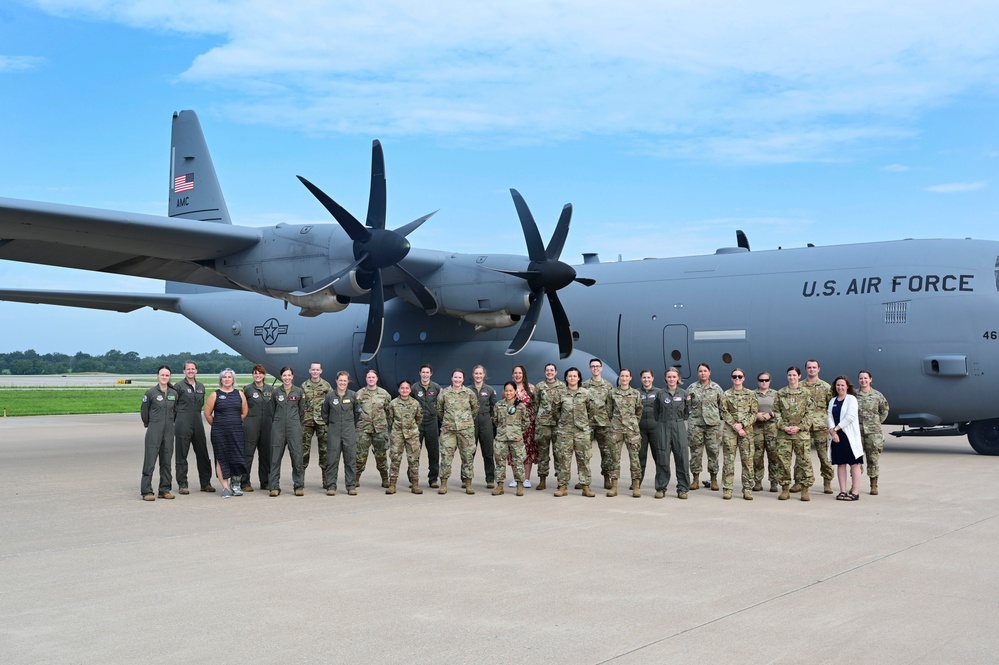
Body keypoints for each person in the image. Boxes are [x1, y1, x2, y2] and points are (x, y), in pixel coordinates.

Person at [204, 368, 248, 498]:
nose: (227, 379)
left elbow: (244, 413)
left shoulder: (240, 394)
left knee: (237, 457)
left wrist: (233, 423)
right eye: (224, 377)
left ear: (233, 379)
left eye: (229, 377)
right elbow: (207, 414)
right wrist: (219, 425)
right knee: (221, 458)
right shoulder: (215, 395)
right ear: (221, 380)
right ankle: (225, 487)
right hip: (219, 432)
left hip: (236, 431)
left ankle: (236, 485)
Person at [773, 366, 816, 501]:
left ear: (799, 376)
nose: (792, 378)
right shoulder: (780, 393)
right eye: (789, 375)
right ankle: (785, 488)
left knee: (804, 462)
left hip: (801, 434)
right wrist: (784, 427)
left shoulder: (806, 393)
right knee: (783, 462)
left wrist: (800, 427)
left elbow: (810, 413)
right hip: (784, 434)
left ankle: (805, 489)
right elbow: (776, 413)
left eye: (794, 375)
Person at [552, 367, 594, 497]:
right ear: (566, 378)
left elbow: (591, 411)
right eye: (570, 376)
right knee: (564, 459)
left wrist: (584, 424)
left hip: (582, 432)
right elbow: (555, 412)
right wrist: (564, 424)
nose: (572, 378)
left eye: (575, 376)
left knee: (584, 459)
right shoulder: (560, 394)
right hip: (565, 432)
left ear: (579, 378)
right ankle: (563, 486)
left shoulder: (586, 393)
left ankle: (585, 486)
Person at [436, 369, 479, 495]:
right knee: (446, 457)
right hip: (448, 431)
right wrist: (449, 421)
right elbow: (439, 410)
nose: (457, 380)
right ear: (451, 378)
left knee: (467, 457)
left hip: (466, 430)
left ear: (463, 379)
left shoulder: (469, 393)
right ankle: (443, 484)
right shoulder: (444, 393)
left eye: (460, 378)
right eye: (455, 377)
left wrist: (464, 421)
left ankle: (468, 483)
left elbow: (474, 409)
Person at [173, 360, 214, 494]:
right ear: (184, 371)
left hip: (197, 421)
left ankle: (205, 483)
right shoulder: (178, 387)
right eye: (188, 369)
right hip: (182, 422)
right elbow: (173, 406)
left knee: (202, 453)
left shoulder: (201, 386)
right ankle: (183, 484)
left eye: (193, 369)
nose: (190, 371)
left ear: (196, 371)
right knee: (181, 455)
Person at [140, 365, 177, 501]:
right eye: (162, 375)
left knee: (166, 461)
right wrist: (149, 424)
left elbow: (176, 411)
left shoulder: (174, 394)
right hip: (154, 429)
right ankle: (146, 491)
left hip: (169, 431)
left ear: (170, 377)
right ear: (158, 376)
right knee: (150, 461)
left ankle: (164, 489)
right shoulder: (150, 393)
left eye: (167, 375)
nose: (164, 377)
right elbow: (144, 411)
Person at [721, 368, 758, 500]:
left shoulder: (750, 394)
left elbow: (753, 413)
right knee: (728, 461)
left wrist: (742, 425)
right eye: (735, 376)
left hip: (746, 432)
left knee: (747, 461)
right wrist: (736, 427)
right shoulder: (726, 394)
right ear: (731, 378)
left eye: (740, 376)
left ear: (744, 378)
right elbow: (724, 412)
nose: (737, 379)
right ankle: (727, 489)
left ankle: (747, 489)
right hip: (730, 431)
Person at [653, 367, 690, 499]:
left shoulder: (684, 394)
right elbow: (656, 412)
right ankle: (661, 488)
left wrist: (677, 421)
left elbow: (687, 412)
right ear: (665, 378)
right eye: (669, 377)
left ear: (678, 378)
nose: (671, 379)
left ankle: (683, 489)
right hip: (663, 425)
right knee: (662, 457)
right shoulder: (660, 394)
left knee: (682, 457)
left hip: (679, 425)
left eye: (674, 377)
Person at [687, 363, 724, 491]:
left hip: (712, 425)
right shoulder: (691, 388)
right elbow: (687, 406)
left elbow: (722, 406)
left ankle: (713, 479)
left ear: (709, 373)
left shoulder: (716, 388)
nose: (703, 373)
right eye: (700, 371)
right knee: (696, 453)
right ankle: (695, 479)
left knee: (713, 452)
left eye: (705, 371)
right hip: (696, 425)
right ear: (698, 373)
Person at [269, 367, 306, 496]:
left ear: (293, 376)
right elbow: (271, 411)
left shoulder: (299, 392)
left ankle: (298, 486)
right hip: (278, 427)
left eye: (289, 375)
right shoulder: (276, 392)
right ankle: (274, 486)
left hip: (294, 427)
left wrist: (294, 422)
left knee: (297, 456)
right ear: (281, 377)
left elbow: (302, 411)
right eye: (284, 375)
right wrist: (279, 421)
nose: (287, 378)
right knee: (275, 457)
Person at [321, 370, 360, 496]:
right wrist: (332, 424)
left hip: (349, 431)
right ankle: (331, 486)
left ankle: (351, 486)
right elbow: (324, 413)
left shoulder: (353, 396)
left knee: (350, 459)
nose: (342, 383)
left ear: (348, 382)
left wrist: (350, 425)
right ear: (336, 381)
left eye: (345, 380)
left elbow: (357, 413)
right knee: (332, 459)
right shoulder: (330, 396)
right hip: (334, 431)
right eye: (340, 380)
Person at [606, 369, 643, 497]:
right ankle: (614, 486)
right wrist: (617, 422)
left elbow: (639, 411)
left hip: (632, 430)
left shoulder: (635, 393)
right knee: (614, 458)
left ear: (630, 378)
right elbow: (609, 411)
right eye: (622, 376)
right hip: (616, 429)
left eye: (627, 376)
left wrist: (632, 423)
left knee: (634, 458)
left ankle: (636, 486)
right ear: (619, 378)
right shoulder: (612, 393)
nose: (624, 378)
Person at [828, 376, 864, 501]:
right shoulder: (833, 401)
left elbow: (850, 417)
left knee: (854, 464)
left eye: (842, 385)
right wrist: (833, 433)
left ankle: (855, 492)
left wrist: (835, 429)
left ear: (847, 386)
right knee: (841, 464)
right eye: (838, 385)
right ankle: (842, 491)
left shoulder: (851, 399)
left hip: (849, 436)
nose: (840, 387)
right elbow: (829, 417)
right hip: (837, 437)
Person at [355, 369, 392, 488]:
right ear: (366, 379)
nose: (371, 379)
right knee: (360, 455)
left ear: (377, 379)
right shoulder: (359, 394)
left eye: (373, 377)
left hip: (380, 430)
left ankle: (385, 478)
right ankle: (356, 478)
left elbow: (389, 412)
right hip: (363, 430)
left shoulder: (384, 394)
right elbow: (355, 411)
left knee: (381, 455)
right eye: (369, 377)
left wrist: (388, 427)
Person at [240, 364, 273, 492]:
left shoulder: (271, 390)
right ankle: (245, 482)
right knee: (248, 454)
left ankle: (265, 482)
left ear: (264, 375)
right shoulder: (247, 389)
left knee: (266, 455)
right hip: (251, 425)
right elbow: (241, 407)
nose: (257, 375)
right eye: (255, 373)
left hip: (267, 425)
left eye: (260, 373)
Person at [386, 380, 424, 494]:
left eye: (407, 388)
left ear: (410, 390)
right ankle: (392, 485)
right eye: (402, 388)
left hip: (412, 435)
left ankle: (415, 485)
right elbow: (390, 419)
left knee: (414, 460)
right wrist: (397, 430)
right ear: (399, 390)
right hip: (397, 435)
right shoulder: (393, 403)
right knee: (395, 459)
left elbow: (419, 418)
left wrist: (411, 429)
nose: (404, 390)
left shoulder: (415, 403)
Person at [492, 382, 529, 496]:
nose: (508, 393)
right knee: (500, 462)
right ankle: (500, 486)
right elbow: (495, 420)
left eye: (511, 390)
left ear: (515, 391)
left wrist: (517, 431)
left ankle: (520, 485)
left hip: (516, 439)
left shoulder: (520, 406)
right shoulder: (499, 405)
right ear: (504, 391)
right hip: (501, 439)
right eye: (506, 391)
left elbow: (526, 421)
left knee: (518, 462)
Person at [803, 359, 833, 494]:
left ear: (818, 369)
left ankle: (827, 481)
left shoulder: (826, 387)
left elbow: (830, 407)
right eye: (809, 367)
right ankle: (801, 482)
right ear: (806, 370)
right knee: (802, 456)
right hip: (805, 427)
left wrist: (830, 425)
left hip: (821, 427)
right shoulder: (800, 386)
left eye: (814, 367)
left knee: (824, 456)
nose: (811, 370)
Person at [856, 370, 890, 495]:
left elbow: (885, 409)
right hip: (857, 432)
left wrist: (877, 422)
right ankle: (856, 485)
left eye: (865, 378)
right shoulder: (854, 395)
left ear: (870, 379)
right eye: (861, 378)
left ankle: (873, 485)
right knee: (856, 461)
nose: (863, 380)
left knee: (873, 460)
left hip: (873, 433)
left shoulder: (877, 395)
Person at [533, 363, 565, 491]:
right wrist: (539, 419)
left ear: (556, 372)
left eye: (552, 370)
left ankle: (560, 479)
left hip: (558, 425)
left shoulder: (562, 386)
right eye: (547, 370)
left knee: (559, 453)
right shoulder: (540, 387)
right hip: (543, 424)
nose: (549, 372)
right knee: (543, 453)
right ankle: (542, 479)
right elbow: (536, 404)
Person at [582, 358, 613, 490]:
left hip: (603, 423)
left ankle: (607, 477)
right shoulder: (584, 385)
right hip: (588, 423)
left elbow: (611, 405)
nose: (595, 368)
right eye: (593, 366)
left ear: (601, 368)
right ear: (590, 369)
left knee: (606, 452)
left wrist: (609, 419)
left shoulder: (608, 385)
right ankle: (584, 479)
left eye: (597, 366)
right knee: (584, 452)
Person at [301, 362, 332, 487]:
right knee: (304, 450)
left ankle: (326, 480)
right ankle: (300, 479)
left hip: (321, 421)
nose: (315, 372)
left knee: (324, 450)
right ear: (309, 371)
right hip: (307, 421)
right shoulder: (304, 385)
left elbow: (331, 402)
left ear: (321, 371)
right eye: (313, 370)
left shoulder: (326, 385)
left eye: (317, 370)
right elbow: (301, 402)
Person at [414, 364, 442, 488]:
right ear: (419, 373)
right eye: (423, 372)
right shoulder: (414, 388)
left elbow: (441, 404)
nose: (425, 375)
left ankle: (433, 479)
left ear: (431, 374)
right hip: (418, 423)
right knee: (414, 451)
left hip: (431, 422)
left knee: (433, 451)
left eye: (427, 372)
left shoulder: (436, 387)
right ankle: (413, 478)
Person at [470, 365, 498, 488]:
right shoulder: (468, 390)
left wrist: (490, 420)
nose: (478, 376)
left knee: (488, 452)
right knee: (469, 452)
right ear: (473, 374)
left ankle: (490, 478)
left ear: (484, 375)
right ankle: (466, 478)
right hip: (471, 422)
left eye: (480, 373)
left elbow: (493, 407)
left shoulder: (490, 390)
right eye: (476, 373)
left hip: (486, 421)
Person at [753, 372, 780, 492]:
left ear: (770, 380)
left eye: (766, 380)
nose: (764, 382)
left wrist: (770, 414)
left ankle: (774, 482)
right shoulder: (752, 395)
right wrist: (756, 415)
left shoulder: (776, 394)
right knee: (757, 456)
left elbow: (780, 410)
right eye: (761, 380)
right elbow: (747, 409)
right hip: (757, 428)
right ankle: (758, 482)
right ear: (758, 381)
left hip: (772, 428)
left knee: (773, 455)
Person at [511, 365, 536, 487]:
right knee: (513, 451)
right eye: (515, 373)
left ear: (523, 375)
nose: (517, 375)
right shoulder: (509, 389)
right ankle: (516, 478)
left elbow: (535, 406)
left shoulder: (531, 388)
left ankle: (526, 478)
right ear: (512, 375)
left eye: (520, 373)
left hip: (528, 426)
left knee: (527, 450)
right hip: (513, 426)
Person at [637, 369, 662, 486]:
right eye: (644, 378)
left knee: (658, 457)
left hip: (655, 430)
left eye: (648, 377)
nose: (646, 380)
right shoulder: (636, 393)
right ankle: (637, 482)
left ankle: (660, 482)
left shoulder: (659, 392)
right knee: (640, 457)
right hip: (640, 430)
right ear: (641, 379)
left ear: (653, 378)